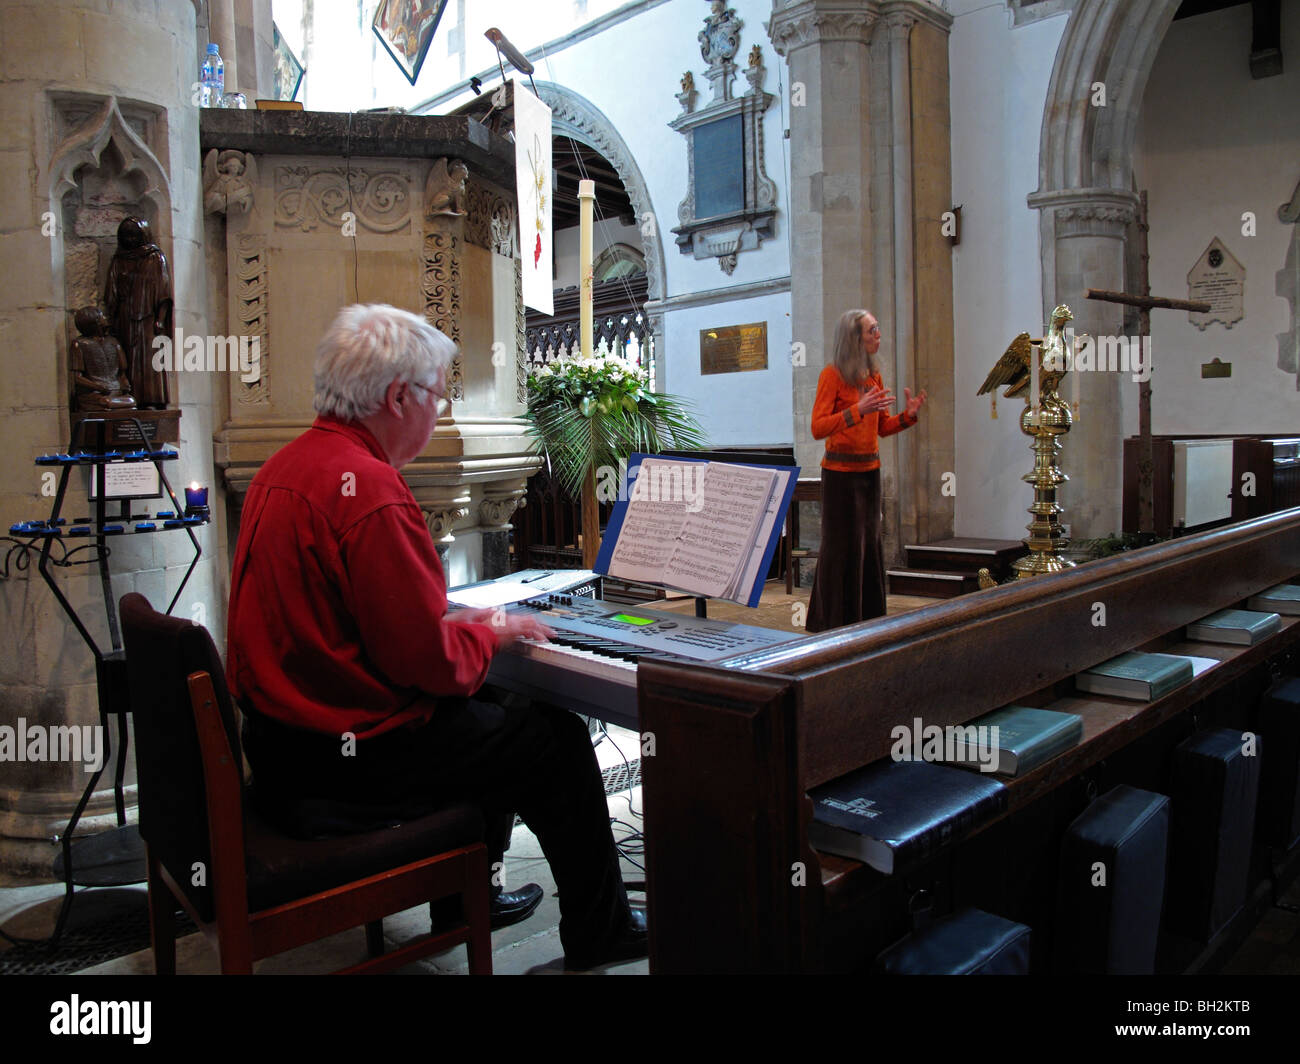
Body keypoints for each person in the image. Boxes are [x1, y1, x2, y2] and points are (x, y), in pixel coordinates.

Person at [226, 303, 646, 970]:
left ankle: (464, 898)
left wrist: (465, 623)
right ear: (398, 397)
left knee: (494, 719)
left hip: (282, 750)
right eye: (438, 395)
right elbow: (430, 667)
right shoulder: (370, 490)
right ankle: (601, 929)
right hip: (345, 771)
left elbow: (356, 629)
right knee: (549, 733)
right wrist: (496, 635)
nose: (441, 410)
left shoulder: (284, 468)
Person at [806, 309, 927, 632]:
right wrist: (855, 410)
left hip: (869, 473)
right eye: (872, 330)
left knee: (868, 545)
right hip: (839, 476)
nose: (878, 335)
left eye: (878, 328)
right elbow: (818, 428)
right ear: (854, 337)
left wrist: (907, 416)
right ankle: (830, 622)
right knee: (840, 548)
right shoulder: (831, 375)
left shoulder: (873, 377)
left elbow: (882, 428)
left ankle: (866, 619)